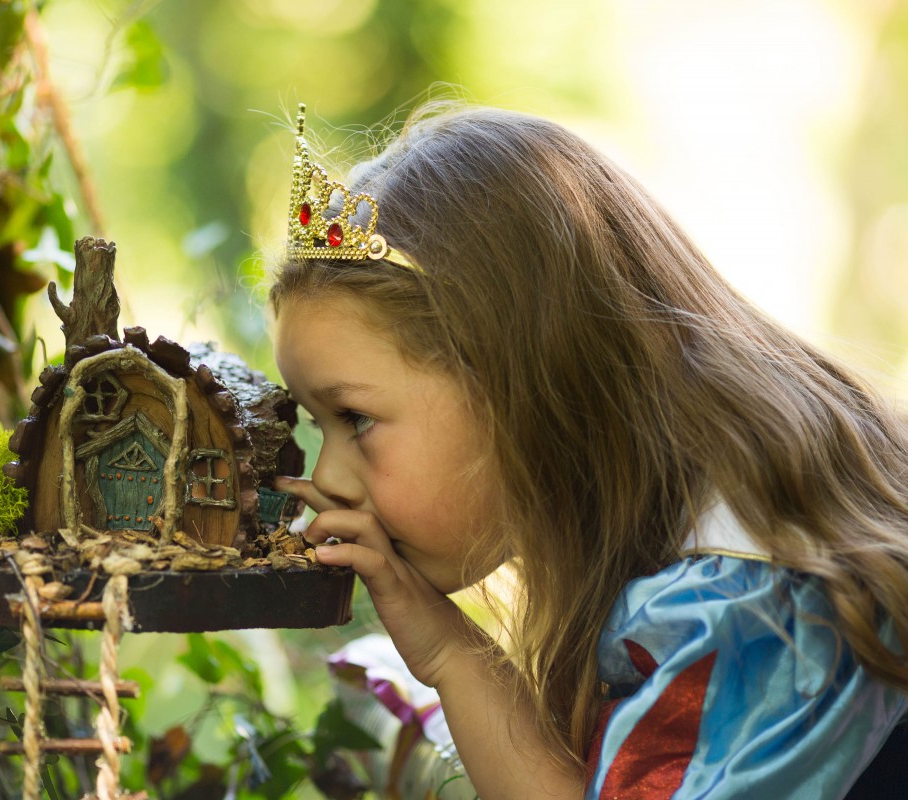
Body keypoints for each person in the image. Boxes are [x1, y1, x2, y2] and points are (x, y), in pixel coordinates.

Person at [268, 103, 908, 799]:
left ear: (516, 380)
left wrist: (456, 658)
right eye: (316, 422)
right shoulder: (728, 526)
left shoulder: (753, 603)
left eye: (355, 417)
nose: (329, 476)